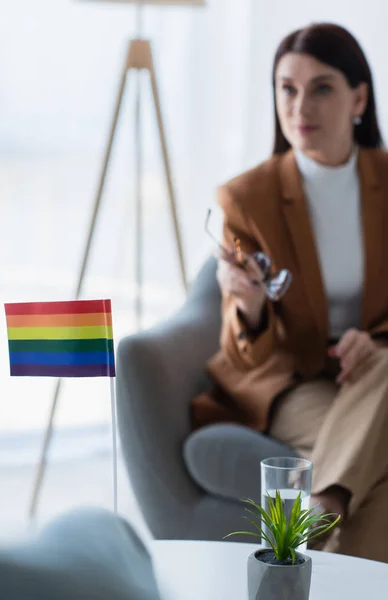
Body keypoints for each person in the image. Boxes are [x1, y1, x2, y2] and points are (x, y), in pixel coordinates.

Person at [190, 22, 388, 563]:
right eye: (287, 88)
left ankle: (295, 541)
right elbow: (244, 354)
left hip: (373, 375)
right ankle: (319, 511)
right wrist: (248, 306)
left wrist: (373, 344)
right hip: (291, 379)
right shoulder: (246, 198)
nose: (301, 105)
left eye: (321, 87)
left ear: (359, 98)